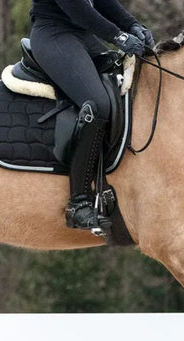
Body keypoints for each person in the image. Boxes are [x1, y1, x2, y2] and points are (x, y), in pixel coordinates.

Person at [29, 0, 155, 230]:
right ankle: (78, 202)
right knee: (97, 104)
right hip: (54, 35)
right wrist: (119, 36)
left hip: (84, 36)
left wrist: (133, 25)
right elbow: (76, 7)